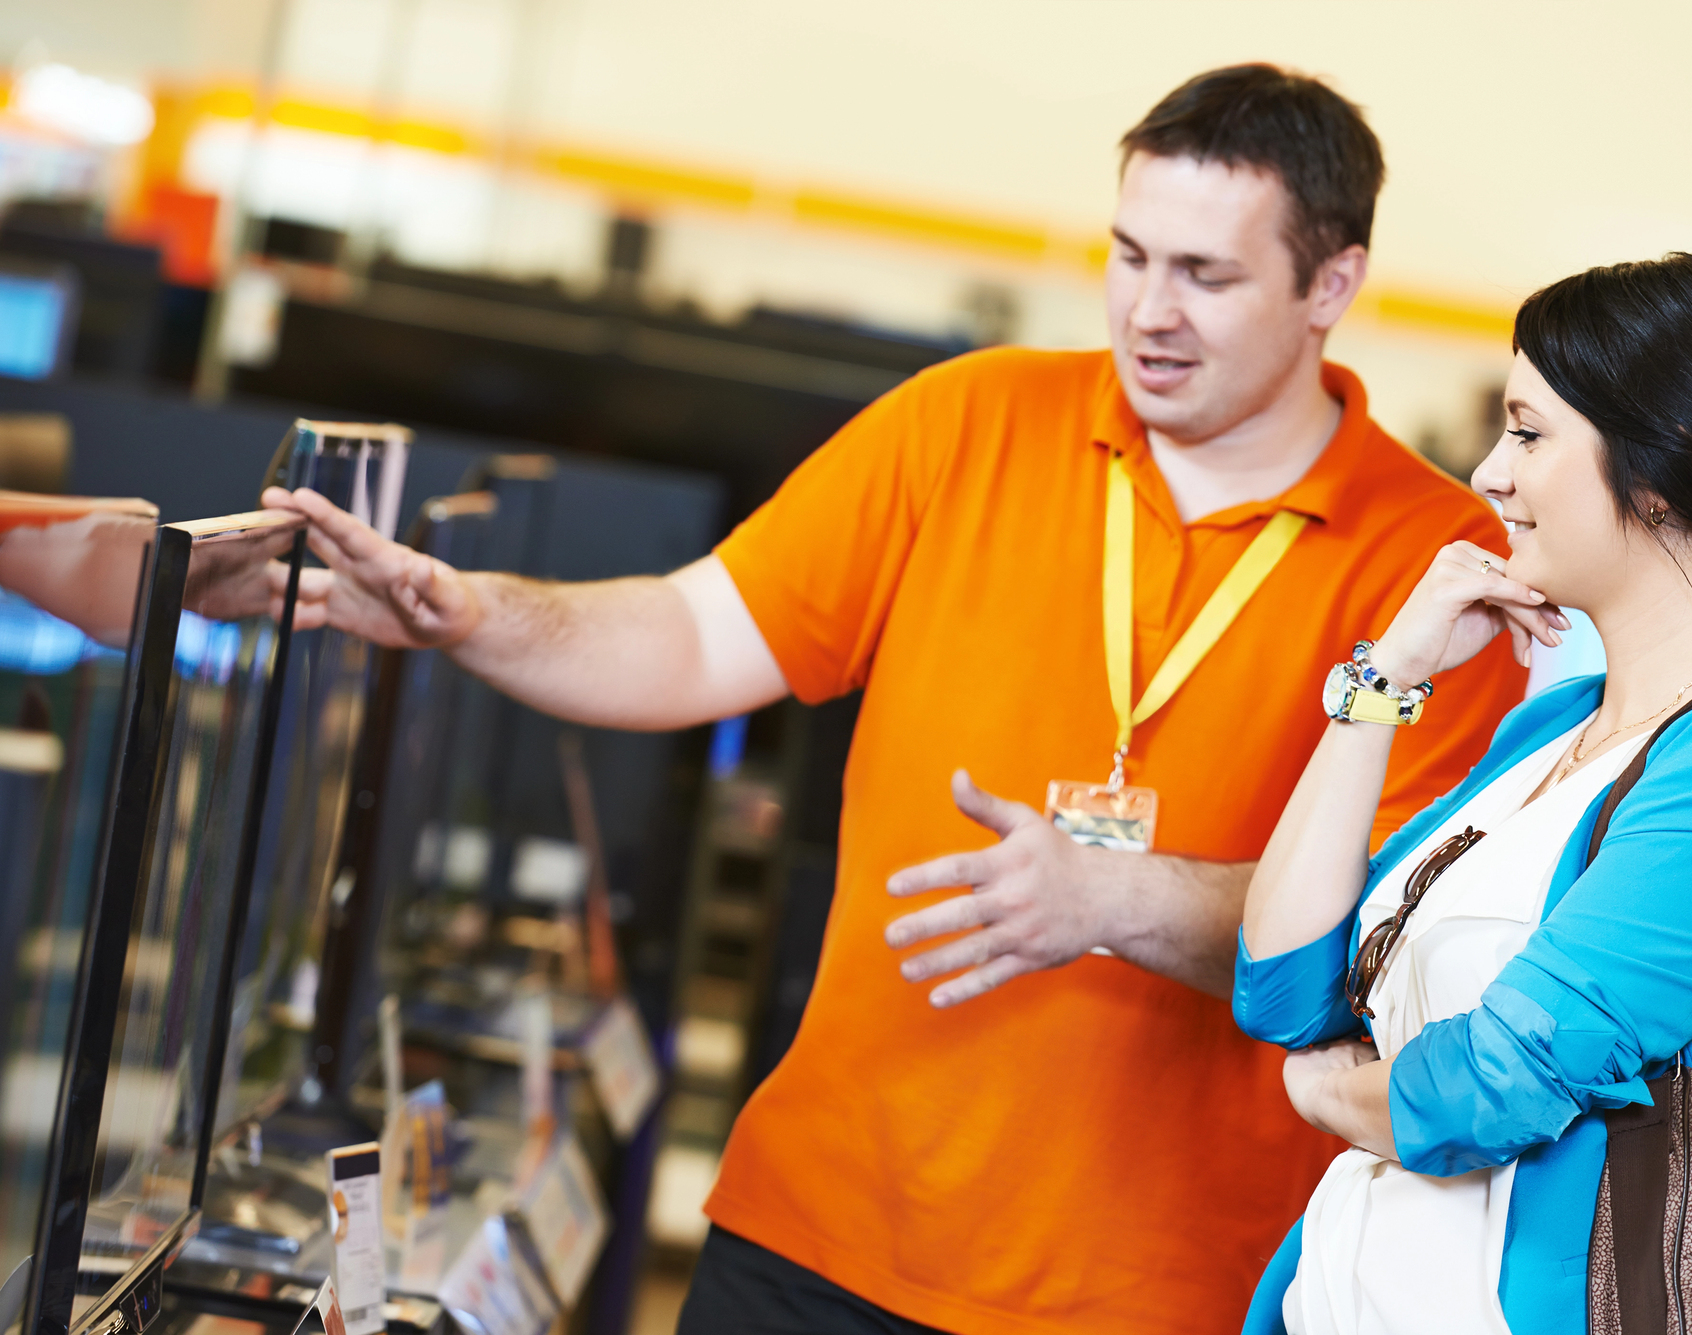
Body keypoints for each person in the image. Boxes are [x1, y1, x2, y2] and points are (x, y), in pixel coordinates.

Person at [267, 66, 1529, 1335]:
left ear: (1330, 287)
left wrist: (1114, 898)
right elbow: (690, 637)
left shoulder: (1440, 569)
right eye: (1129, 255)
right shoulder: (963, 423)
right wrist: (472, 612)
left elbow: (1387, 940)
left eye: (1206, 275)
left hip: (1165, 1294)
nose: (1149, 312)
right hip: (820, 1231)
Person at [1233, 252, 1692, 1335]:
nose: (1489, 473)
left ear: (1662, 467)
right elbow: (1285, 990)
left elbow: (1480, 1091)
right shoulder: (1555, 728)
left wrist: (1319, 1094)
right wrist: (1380, 685)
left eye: (1528, 433)